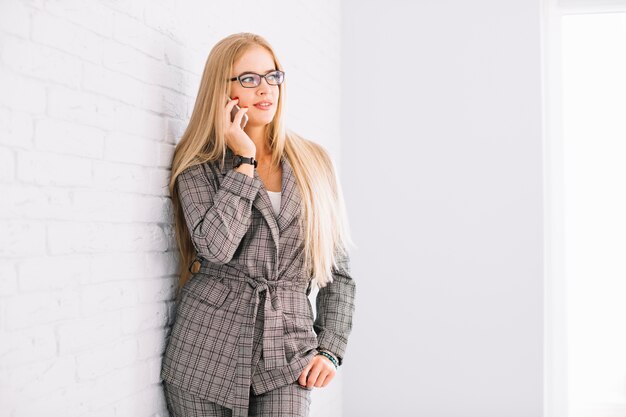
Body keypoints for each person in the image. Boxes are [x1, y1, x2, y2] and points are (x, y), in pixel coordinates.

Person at [160, 32, 356, 417]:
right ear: (222, 90)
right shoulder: (198, 165)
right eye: (248, 79)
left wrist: (331, 347)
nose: (265, 89)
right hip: (204, 355)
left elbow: (339, 272)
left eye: (273, 76)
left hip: (286, 353)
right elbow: (216, 247)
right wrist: (245, 162)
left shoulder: (315, 162)